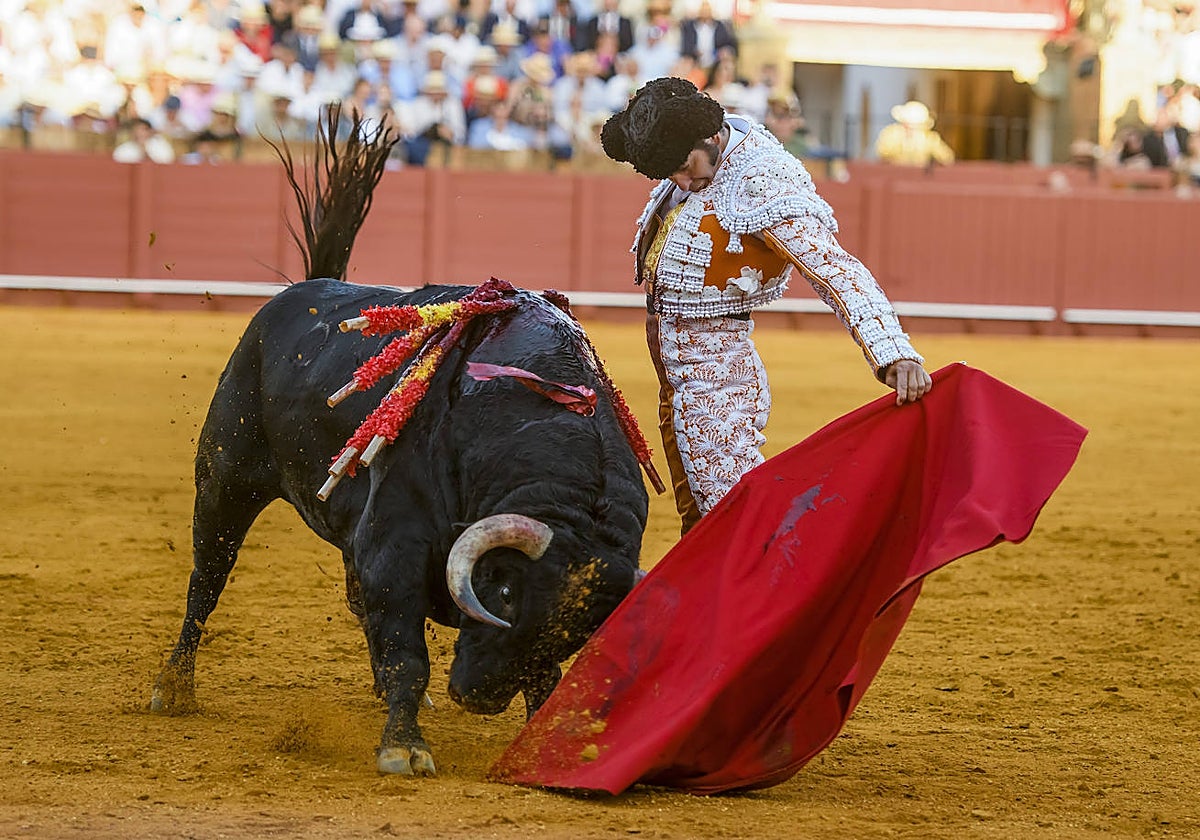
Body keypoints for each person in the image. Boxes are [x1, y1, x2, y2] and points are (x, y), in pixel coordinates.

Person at [600, 77, 931, 533]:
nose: (682, 181)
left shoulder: (761, 180)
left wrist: (892, 352)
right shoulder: (698, 153)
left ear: (711, 137)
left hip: (717, 371)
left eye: (684, 166)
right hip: (676, 373)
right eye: (669, 174)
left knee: (731, 516)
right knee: (699, 514)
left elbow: (835, 268)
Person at [875, 99, 954, 168]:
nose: (910, 127)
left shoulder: (929, 138)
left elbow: (947, 158)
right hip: (895, 176)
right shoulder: (891, 134)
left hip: (920, 178)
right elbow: (882, 154)